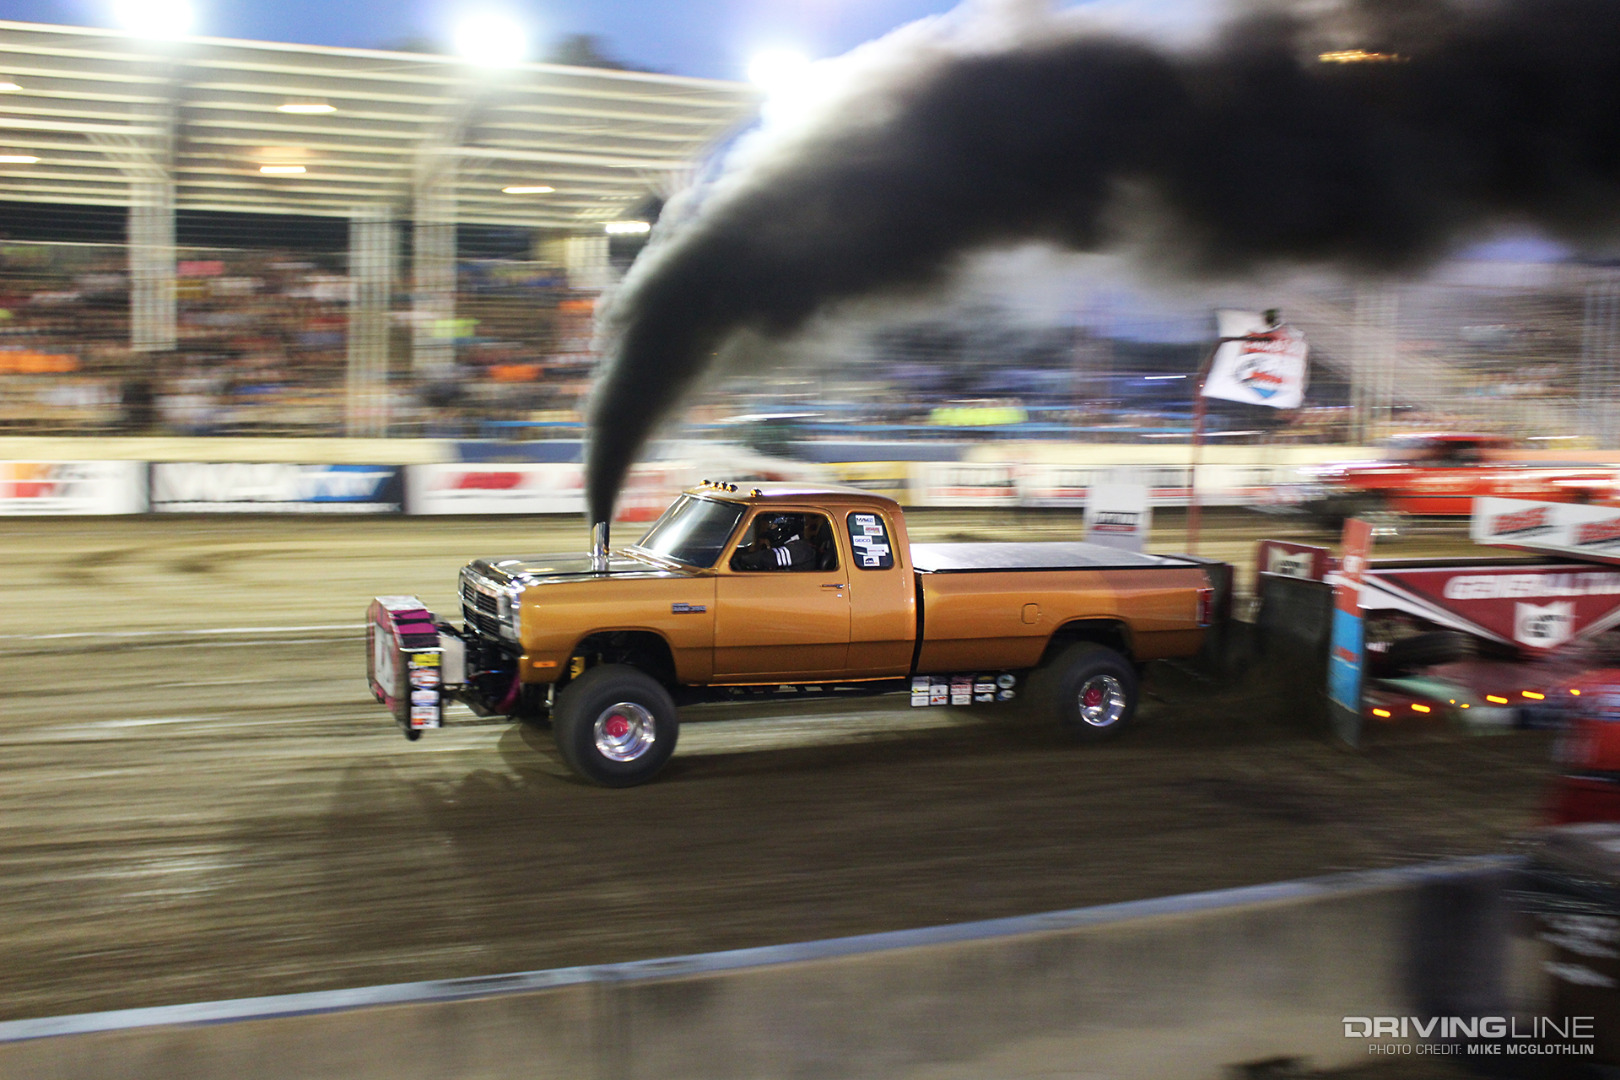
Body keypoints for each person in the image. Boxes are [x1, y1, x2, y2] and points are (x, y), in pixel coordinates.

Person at [731, 513, 815, 571]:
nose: (767, 530)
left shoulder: (800, 548)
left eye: (771, 526)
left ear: (785, 527)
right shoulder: (791, 544)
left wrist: (742, 559)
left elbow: (768, 557)